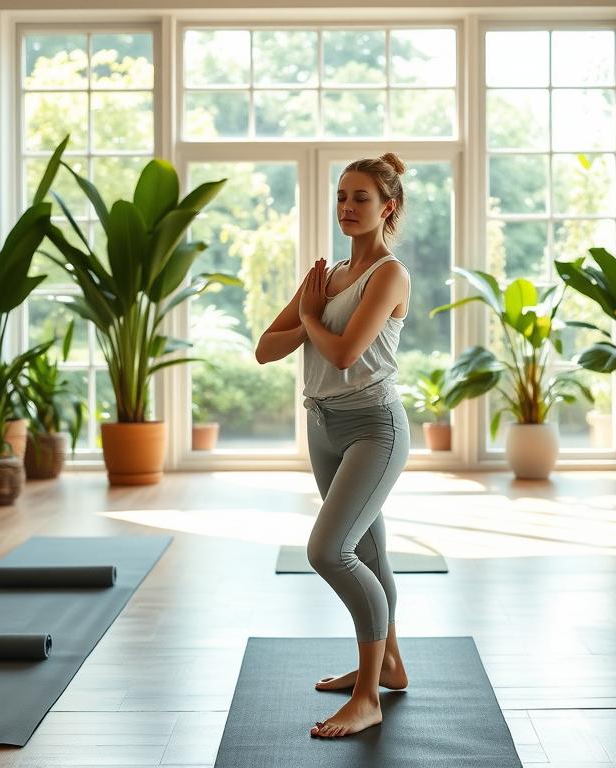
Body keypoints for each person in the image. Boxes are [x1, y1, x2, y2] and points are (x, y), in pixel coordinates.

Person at [255, 153, 412, 738]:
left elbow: (345, 353)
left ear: (387, 206)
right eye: (342, 196)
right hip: (322, 425)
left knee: (328, 552)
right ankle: (390, 663)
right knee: (369, 554)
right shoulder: (327, 277)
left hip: (374, 427)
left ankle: (368, 697)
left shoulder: (388, 274)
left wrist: (308, 318)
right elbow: (266, 349)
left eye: (361, 198)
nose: (347, 207)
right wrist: (309, 316)